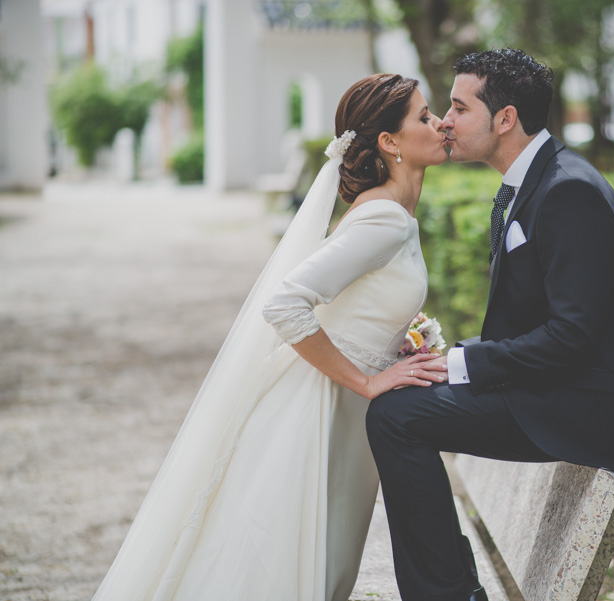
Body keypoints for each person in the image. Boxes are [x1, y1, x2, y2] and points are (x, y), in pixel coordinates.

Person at [91, 73, 448, 601]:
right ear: (390, 143)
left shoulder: (390, 213)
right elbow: (284, 303)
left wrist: (396, 345)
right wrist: (367, 381)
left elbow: (354, 310)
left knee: (318, 562)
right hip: (317, 408)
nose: (439, 123)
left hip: (341, 407)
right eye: (424, 116)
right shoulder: (387, 221)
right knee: (291, 566)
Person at [366, 49, 614, 601]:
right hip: (561, 388)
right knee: (400, 405)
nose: (445, 121)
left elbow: (572, 337)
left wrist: (460, 363)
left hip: (592, 407)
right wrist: (452, 359)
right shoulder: (537, 180)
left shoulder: (569, 190)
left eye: (458, 107)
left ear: (505, 119)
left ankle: (450, 594)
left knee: (398, 416)